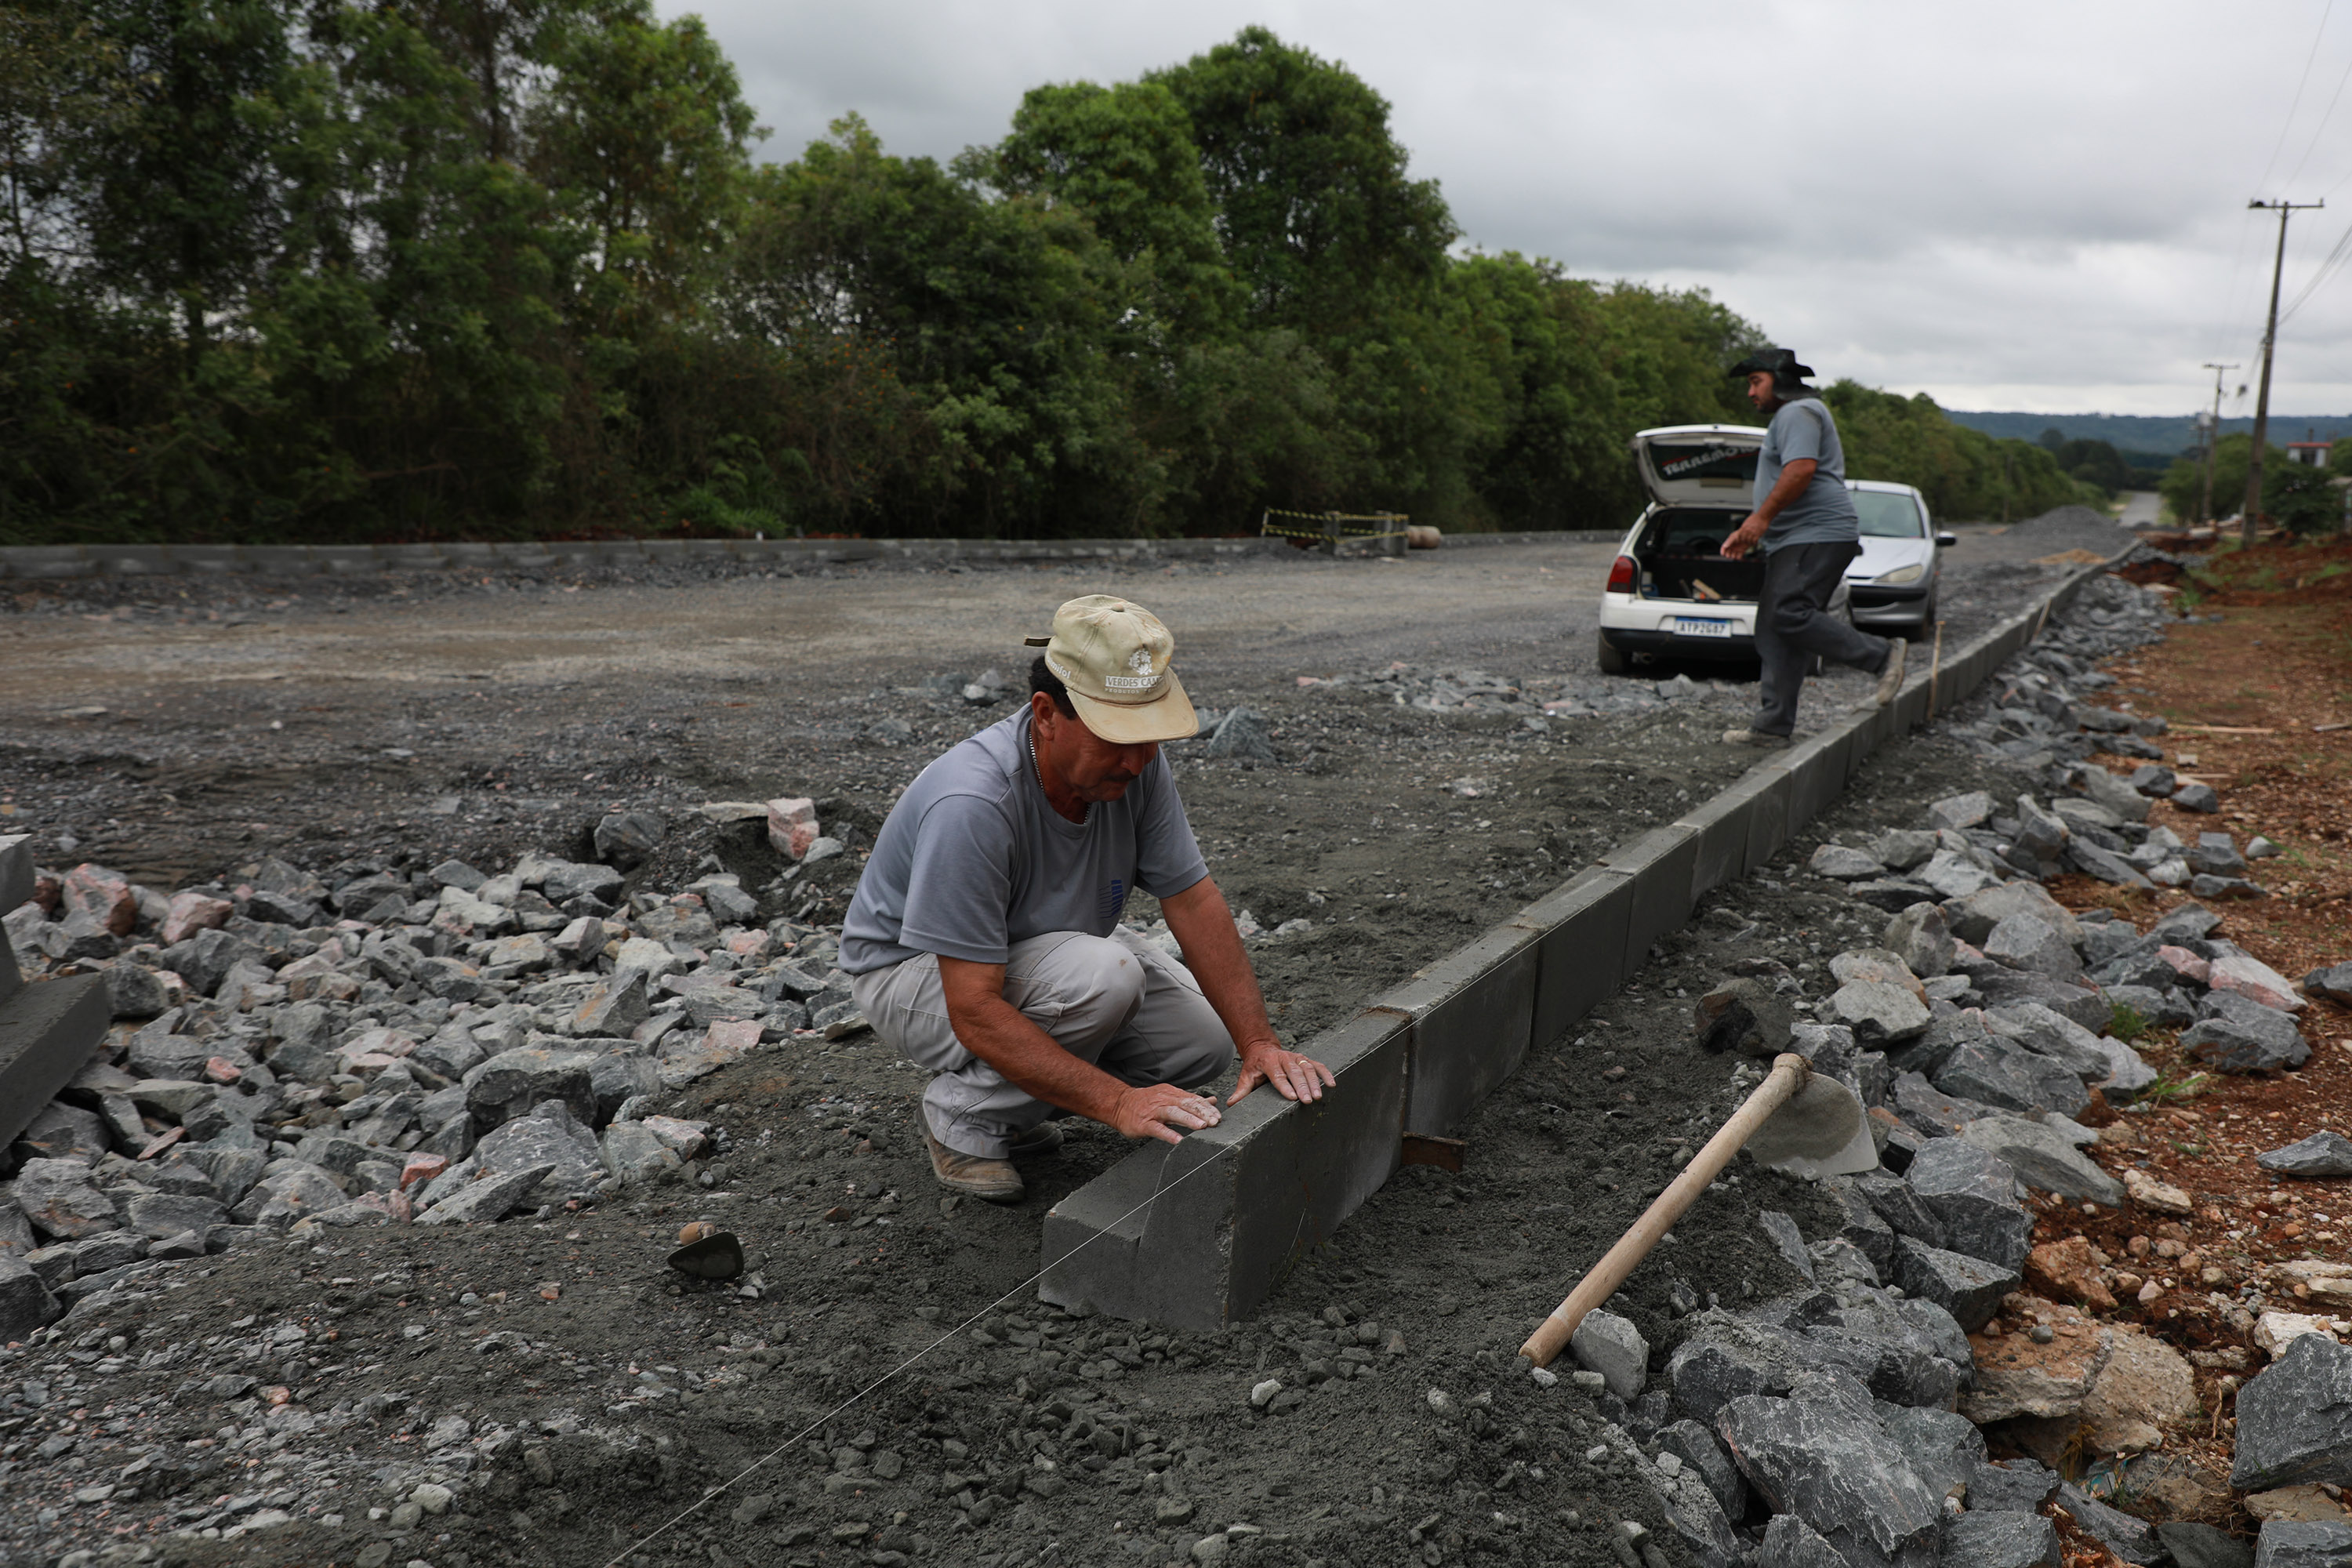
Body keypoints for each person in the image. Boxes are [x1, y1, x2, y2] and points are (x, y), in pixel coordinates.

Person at [840, 593, 1334, 1203]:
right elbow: (972, 1006)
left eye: (1148, 737)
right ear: (1046, 714)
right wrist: (1119, 1102)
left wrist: (1258, 1044)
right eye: (1116, 737)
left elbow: (1192, 900)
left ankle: (1021, 1103)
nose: (1136, 760)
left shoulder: (1136, 766)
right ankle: (963, 1118)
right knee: (1104, 977)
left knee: (1200, 1042)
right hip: (914, 975)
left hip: (1044, 953)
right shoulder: (973, 802)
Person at [1717, 347, 1906, 744]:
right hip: (1798, 536)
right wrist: (1756, 529)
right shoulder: (1793, 415)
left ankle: (1882, 656)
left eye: (1756, 382)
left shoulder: (1798, 412)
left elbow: (1801, 470)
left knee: (1788, 612)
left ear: (1780, 381)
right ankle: (1772, 727)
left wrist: (1760, 519)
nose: (1750, 392)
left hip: (1817, 532)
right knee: (1775, 627)